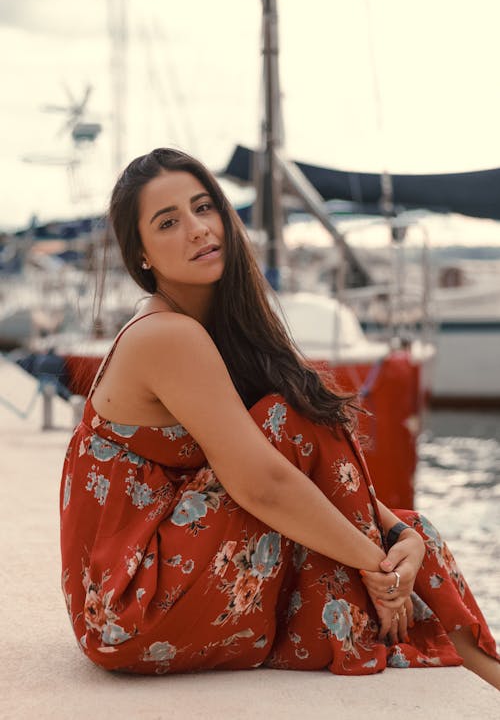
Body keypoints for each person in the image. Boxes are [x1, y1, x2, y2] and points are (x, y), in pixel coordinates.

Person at [59, 148, 500, 687]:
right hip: (131, 608)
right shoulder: (165, 336)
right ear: (142, 255)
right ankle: (484, 672)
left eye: (204, 208)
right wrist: (378, 567)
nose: (197, 229)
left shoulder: (206, 327)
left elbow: (283, 470)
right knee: (295, 421)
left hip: (153, 582)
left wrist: (395, 533)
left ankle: (485, 672)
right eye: (168, 222)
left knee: (411, 531)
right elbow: (262, 482)